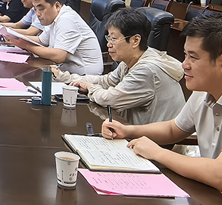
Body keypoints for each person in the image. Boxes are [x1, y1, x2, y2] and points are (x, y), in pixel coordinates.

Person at [103, 14, 222, 205]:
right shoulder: (207, 86)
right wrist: (128, 131)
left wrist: (158, 153)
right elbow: (174, 129)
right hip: (208, 198)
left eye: (193, 57)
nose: (184, 64)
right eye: (185, 55)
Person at [55, 8, 184, 125]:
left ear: (135, 40)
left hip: (155, 140)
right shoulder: (130, 61)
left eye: (114, 39)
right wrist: (66, 77)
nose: (109, 44)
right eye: (108, 38)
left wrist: (90, 87)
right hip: (136, 132)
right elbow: (106, 81)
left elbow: (110, 99)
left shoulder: (147, 70)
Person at [5, 0, 103, 75]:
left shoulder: (66, 20)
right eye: (35, 9)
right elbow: (41, 40)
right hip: (67, 70)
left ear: (57, 6)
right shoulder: (53, 17)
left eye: (41, 9)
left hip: (85, 76)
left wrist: (25, 45)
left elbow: (59, 56)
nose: (38, 14)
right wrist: (16, 37)